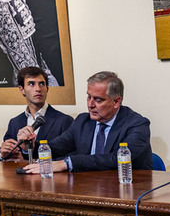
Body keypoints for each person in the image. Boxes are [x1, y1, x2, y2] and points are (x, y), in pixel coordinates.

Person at [22, 71, 152, 174]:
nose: (90, 105)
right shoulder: (82, 121)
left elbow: (116, 159)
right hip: (88, 189)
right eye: (89, 97)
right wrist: (30, 146)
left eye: (98, 100)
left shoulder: (137, 125)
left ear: (116, 102)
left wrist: (67, 163)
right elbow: (55, 148)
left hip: (129, 191)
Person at [0, 66, 73, 160]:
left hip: (50, 174)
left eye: (41, 84)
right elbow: (8, 156)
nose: (38, 89)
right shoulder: (14, 123)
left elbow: (68, 158)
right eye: (31, 84)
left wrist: (28, 161)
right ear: (22, 89)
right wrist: (3, 155)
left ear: (47, 89)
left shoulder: (64, 121)